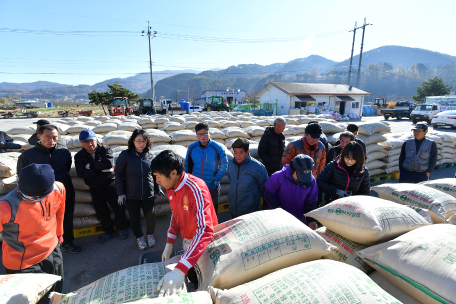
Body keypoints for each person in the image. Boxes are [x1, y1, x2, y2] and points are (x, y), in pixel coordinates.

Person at [153, 150, 218, 297]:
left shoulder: (196, 189)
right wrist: (169, 242)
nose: (157, 181)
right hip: (189, 240)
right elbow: (176, 215)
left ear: (173, 173)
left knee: (207, 279)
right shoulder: (171, 188)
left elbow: (205, 230)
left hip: (204, 244)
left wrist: (180, 268)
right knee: (192, 272)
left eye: (158, 176)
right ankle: (193, 283)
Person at [0, 164, 65, 303]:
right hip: (23, 263)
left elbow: (60, 212)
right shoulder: (6, 206)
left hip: (52, 251)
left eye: (39, 196)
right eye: (29, 196)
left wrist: (59, 233)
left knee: (56, 292)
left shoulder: (58, 188)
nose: (33, 199)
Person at [17, 124, 81, 254]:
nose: (51, 140)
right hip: (40, 196)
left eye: (54, 137)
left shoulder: (64, 152)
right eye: (47, 137)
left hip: (64, 192)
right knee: (42, 222)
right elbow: (22, 176)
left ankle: (67, 243)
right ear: (39, 136)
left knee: (66, 219)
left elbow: (66, 168)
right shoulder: (28, 155)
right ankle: (46, 247)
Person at [75, 130, 129, 243]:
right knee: (101, 210)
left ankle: (121, 228)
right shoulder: (79, 156)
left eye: (91, 141)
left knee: (118, 207)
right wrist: (96, 171)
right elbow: (81, 172)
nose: (90, 144)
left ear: (96, 140)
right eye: (86, 142)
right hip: (95, 188)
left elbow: (109, 163)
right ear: (81, 142)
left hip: (110, 185)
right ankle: (109, 230)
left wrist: (91, 166)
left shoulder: (105, 149)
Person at [115, 129, 164, 250]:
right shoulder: (125, 155)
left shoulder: (150, 155)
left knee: (150, 216)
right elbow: (119, 175)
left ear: (147, 142)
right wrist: (121, 193)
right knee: (134, 218)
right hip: (132, 194)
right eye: (138, 141)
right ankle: (139, 238)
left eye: (143, 141)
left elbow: (154, 174)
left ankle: (150, 235)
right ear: (133, 141)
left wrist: (158, 187)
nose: (141, 144)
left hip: (148, 193)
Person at [264, 154, 319, 229]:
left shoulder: (311, 181)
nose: (303, 179)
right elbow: (269, 194)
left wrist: (311, 220)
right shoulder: (278, 176)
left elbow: (311, 202)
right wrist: (278, 209)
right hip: (279, 220)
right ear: (293, 170)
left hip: (299, 222)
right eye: (300, 174)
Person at [185, 122, 228, 214]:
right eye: (200, 134)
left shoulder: (217, 148)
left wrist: (216, 179)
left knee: (212, 212)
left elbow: (224, 164)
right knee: (197, 211)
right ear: (197, 135)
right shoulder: (192, 148)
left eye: (205, 133)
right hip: (196, 187)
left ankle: (213, 228)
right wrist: (188, 181)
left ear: (209, 133)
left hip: (212, 186)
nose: (203, 136)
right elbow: (187, 165)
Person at [227, 138, 268, 218]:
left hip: (249, 211)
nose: (237, 156)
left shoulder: (257, 167)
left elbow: (264, 188)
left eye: (241, 152)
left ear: (248, 151)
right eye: (235, 152)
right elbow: (231, 179)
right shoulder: (231, 163)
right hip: (233, 209)